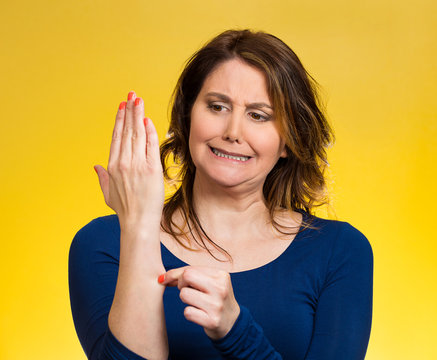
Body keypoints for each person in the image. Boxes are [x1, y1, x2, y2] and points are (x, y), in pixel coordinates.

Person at [68, 29, 373, 360]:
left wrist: (235, 330)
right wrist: (139, 227)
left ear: (287, 140)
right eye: (217, 106)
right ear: (188, 117)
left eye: (258, 115)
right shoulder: (104, 242)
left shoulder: (340, 252)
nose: (232, 132)